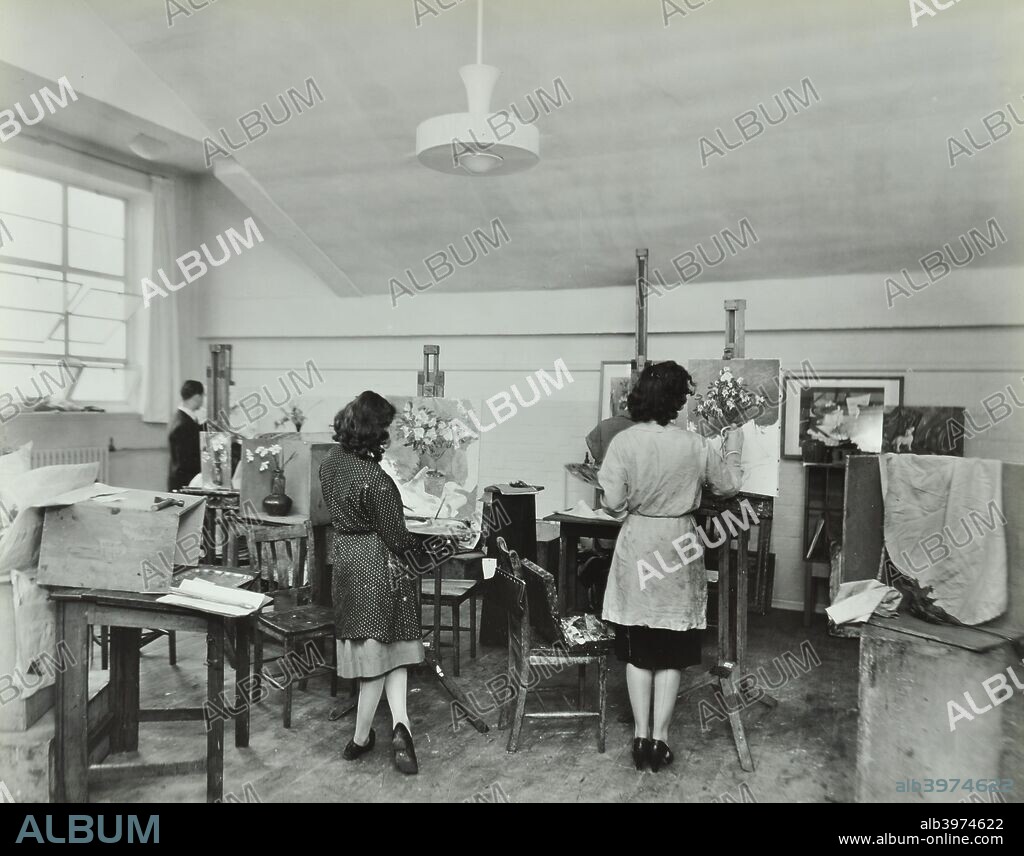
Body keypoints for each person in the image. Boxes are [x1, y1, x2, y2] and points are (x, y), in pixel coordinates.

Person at [597, 361, 743, 772]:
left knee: (639, 649)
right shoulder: (695, 445)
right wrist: (732, 447)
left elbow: (611, 502)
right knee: (671, 649)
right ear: (678, 401)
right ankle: (660, 741)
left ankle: (640, 737)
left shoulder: (625, 443)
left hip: (639, 543)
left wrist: (631, 503)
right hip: (679, 546)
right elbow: (728, 486)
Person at [319, 391, 444, 775]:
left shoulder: (330, 461)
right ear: (374, 432)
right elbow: (398, 540)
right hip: (380, 568)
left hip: (346, 561)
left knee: (391, 651)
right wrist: (435, 546)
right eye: (386, 429)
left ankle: (401, 724)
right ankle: (360, 737)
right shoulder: (376, 480)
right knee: (381, 655)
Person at [167, 380, 204, 491]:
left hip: (181, 480)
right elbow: (187, 460)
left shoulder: (180, 418)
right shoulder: (184, 424)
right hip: (185, 483)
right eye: (203, 396)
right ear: (197, 397)